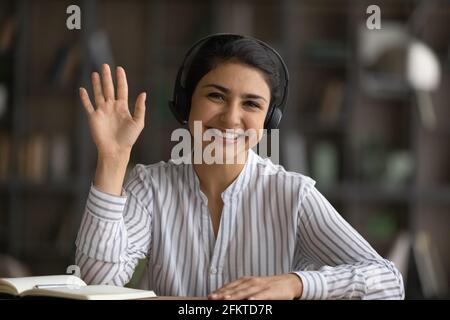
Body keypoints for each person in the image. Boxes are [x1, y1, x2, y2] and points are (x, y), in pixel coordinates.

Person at [75, 34, 404, 299]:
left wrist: (295, 284)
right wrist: (113, 158)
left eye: (251, 103)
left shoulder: (292, 194)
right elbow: (97, 281)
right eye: (216, 96)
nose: (231, 118)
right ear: (187, 105)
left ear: (268, 120)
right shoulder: (150, 186)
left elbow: (389, 283)